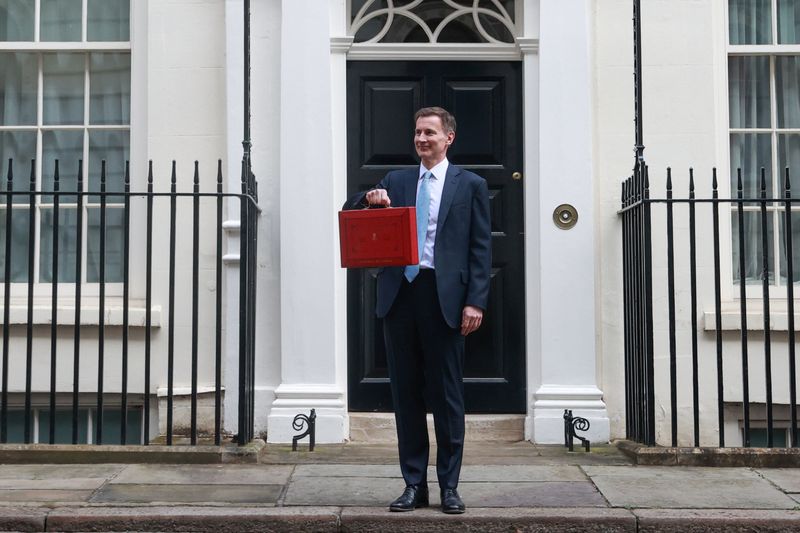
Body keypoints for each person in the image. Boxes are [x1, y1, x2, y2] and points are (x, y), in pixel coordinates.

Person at [343, 107, 491, 514]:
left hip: (445, 299)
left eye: (429, 132)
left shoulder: (471, 184)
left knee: (447, 396)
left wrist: (476, 300)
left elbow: (481, 248)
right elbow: (351, 209)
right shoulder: (397, 180)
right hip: (400, 296)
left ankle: (449, 487)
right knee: (405, 395)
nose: (421, 139)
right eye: (417, 132)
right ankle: (413, 484)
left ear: (449, 138)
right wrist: (370, 199)